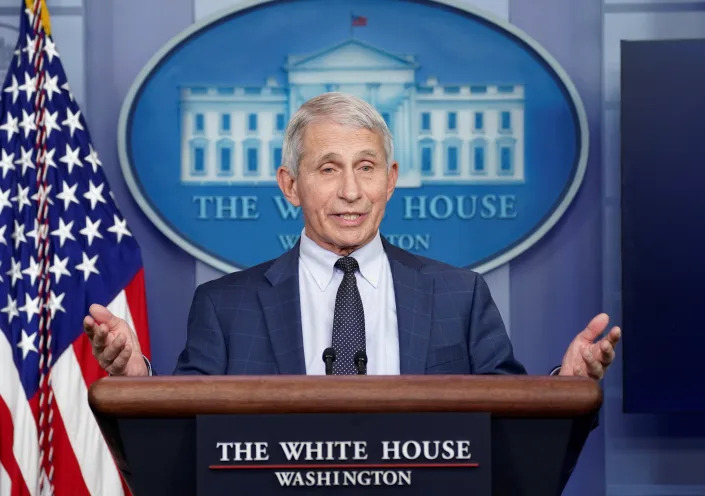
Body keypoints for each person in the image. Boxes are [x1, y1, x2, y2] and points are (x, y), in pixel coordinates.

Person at [83, 92, 620, 378]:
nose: (350, 191)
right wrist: (135, 375)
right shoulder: (224, 307)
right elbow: (185, 429)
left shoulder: (460, 296)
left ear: (390, 181)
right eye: (327, 168)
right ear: (290, 185)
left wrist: (565, 389)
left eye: (366, 168)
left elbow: (511, 425)